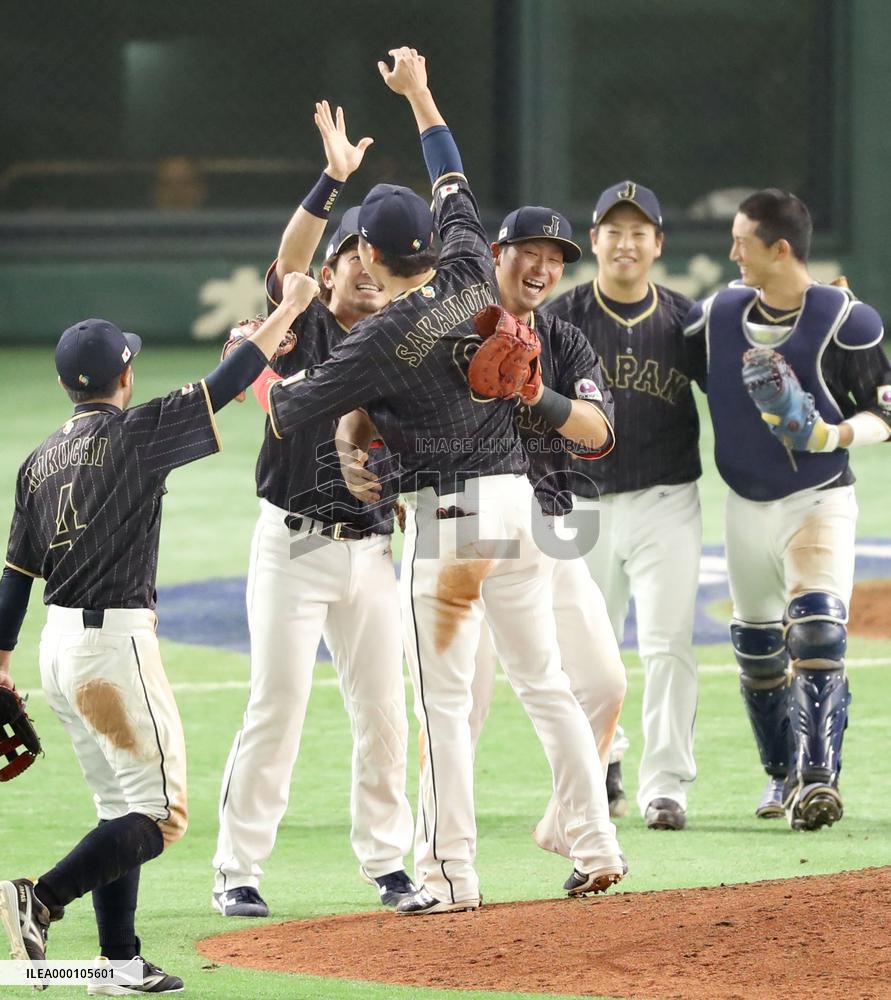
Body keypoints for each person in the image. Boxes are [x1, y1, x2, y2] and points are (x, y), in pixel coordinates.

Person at [264, 47, 625, 914]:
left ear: (371, 257)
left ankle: (450, 875)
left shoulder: (374, 339)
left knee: (445, 709)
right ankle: (597, 844)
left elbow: (287, 410)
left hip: (451, 525)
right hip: (516, 508)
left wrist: (266, 347)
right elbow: (449, 168)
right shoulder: (468, 265)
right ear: (432, 241)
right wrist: (419, 92)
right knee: (545, 684)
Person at [0, 275, 318, 992]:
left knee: (120, 808)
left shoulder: (37, 461)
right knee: (161, 815)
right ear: (125, 376)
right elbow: (226, 382)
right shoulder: (137, 433)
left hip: (55, 651)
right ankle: (39, 898)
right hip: (113, 651)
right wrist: (291, 308)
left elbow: (16, 573)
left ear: (64, 384)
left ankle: (117, 962)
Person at [212, 101, 416, 917]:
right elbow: (290, 262)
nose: (363, 266)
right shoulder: (298, 328)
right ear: (327, 274)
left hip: (371, 552)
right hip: (293, 546)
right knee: (278, 706)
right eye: (349, 256)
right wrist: (332, 180)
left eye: (374, 256)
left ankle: (388, 864)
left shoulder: (401, 339)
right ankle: (238, 869)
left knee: (385, 714)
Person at [684, 188, 891, 829]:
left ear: (779, 249)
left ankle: (819, 781)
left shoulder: (846, 321)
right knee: (756, 647)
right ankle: (781, 775)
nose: (732, 254)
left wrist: (830, 434)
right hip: (745, 505)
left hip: (818, 500)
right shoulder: (715, 317)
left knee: (818, 632)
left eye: (741, 243)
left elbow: (885, 410)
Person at [465, 206, 627, 859]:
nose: (542, 267)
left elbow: (598, 432)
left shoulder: (562, 341)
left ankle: (566, 822)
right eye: (530, 252)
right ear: (496, 254)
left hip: (551, 528)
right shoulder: (452, 329)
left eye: (555, 259)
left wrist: (538, 394)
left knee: (605, 685)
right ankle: (440, 849)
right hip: (466, 531)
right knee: (461, 704)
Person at [546, 181, 702, 831]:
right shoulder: (560, 318)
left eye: (639, 232)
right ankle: (600, 767)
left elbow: (740, 389)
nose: (626, 243)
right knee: (583, 649)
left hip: (666, 497)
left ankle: (665, 786)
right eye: (614, 231)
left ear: (658, 244)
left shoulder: (687, 321)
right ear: (594, 240)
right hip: (580, 502)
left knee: (668, 643)